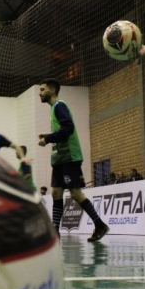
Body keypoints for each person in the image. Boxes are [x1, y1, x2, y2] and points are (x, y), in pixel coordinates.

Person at [38, 78, 109, 242]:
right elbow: (61, 131)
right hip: (59, 158)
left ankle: (99, 225)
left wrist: (48, 140)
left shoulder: (59, 105)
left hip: (69, 157)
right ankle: (55, 231)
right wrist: (49, 136)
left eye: (42, 90)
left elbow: (68, 129)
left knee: (75, 193)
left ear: (52, 91)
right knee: (56, 191)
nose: (40, 93)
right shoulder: (53, 109)